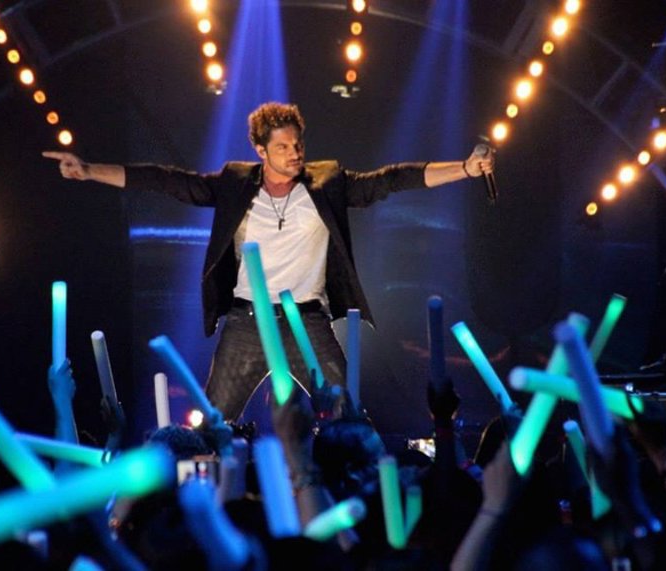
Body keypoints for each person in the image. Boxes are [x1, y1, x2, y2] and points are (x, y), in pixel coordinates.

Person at [43, 101, 494, 421]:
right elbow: (168, 181)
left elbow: (391, 180)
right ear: (261, 151)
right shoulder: (234, 183)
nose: (295, 153)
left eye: (298, 144)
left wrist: (465, 168)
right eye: (283, 147)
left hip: (307, 321)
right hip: (247, 323)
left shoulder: (327, 182)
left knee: (348, 417)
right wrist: (91, 171)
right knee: (213, 424)